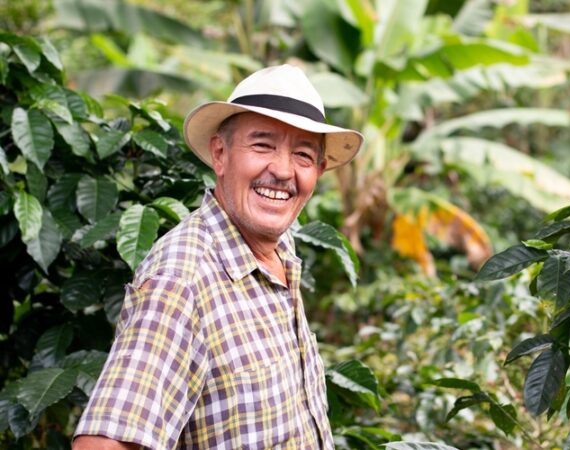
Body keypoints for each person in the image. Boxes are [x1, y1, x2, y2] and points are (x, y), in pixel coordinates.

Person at [72, 64, 363, 450]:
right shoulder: (181, 280)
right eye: (262, 145)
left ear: (319, 171)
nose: (282, 170)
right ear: (220, 154)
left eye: (303, 155)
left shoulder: (280, 248)